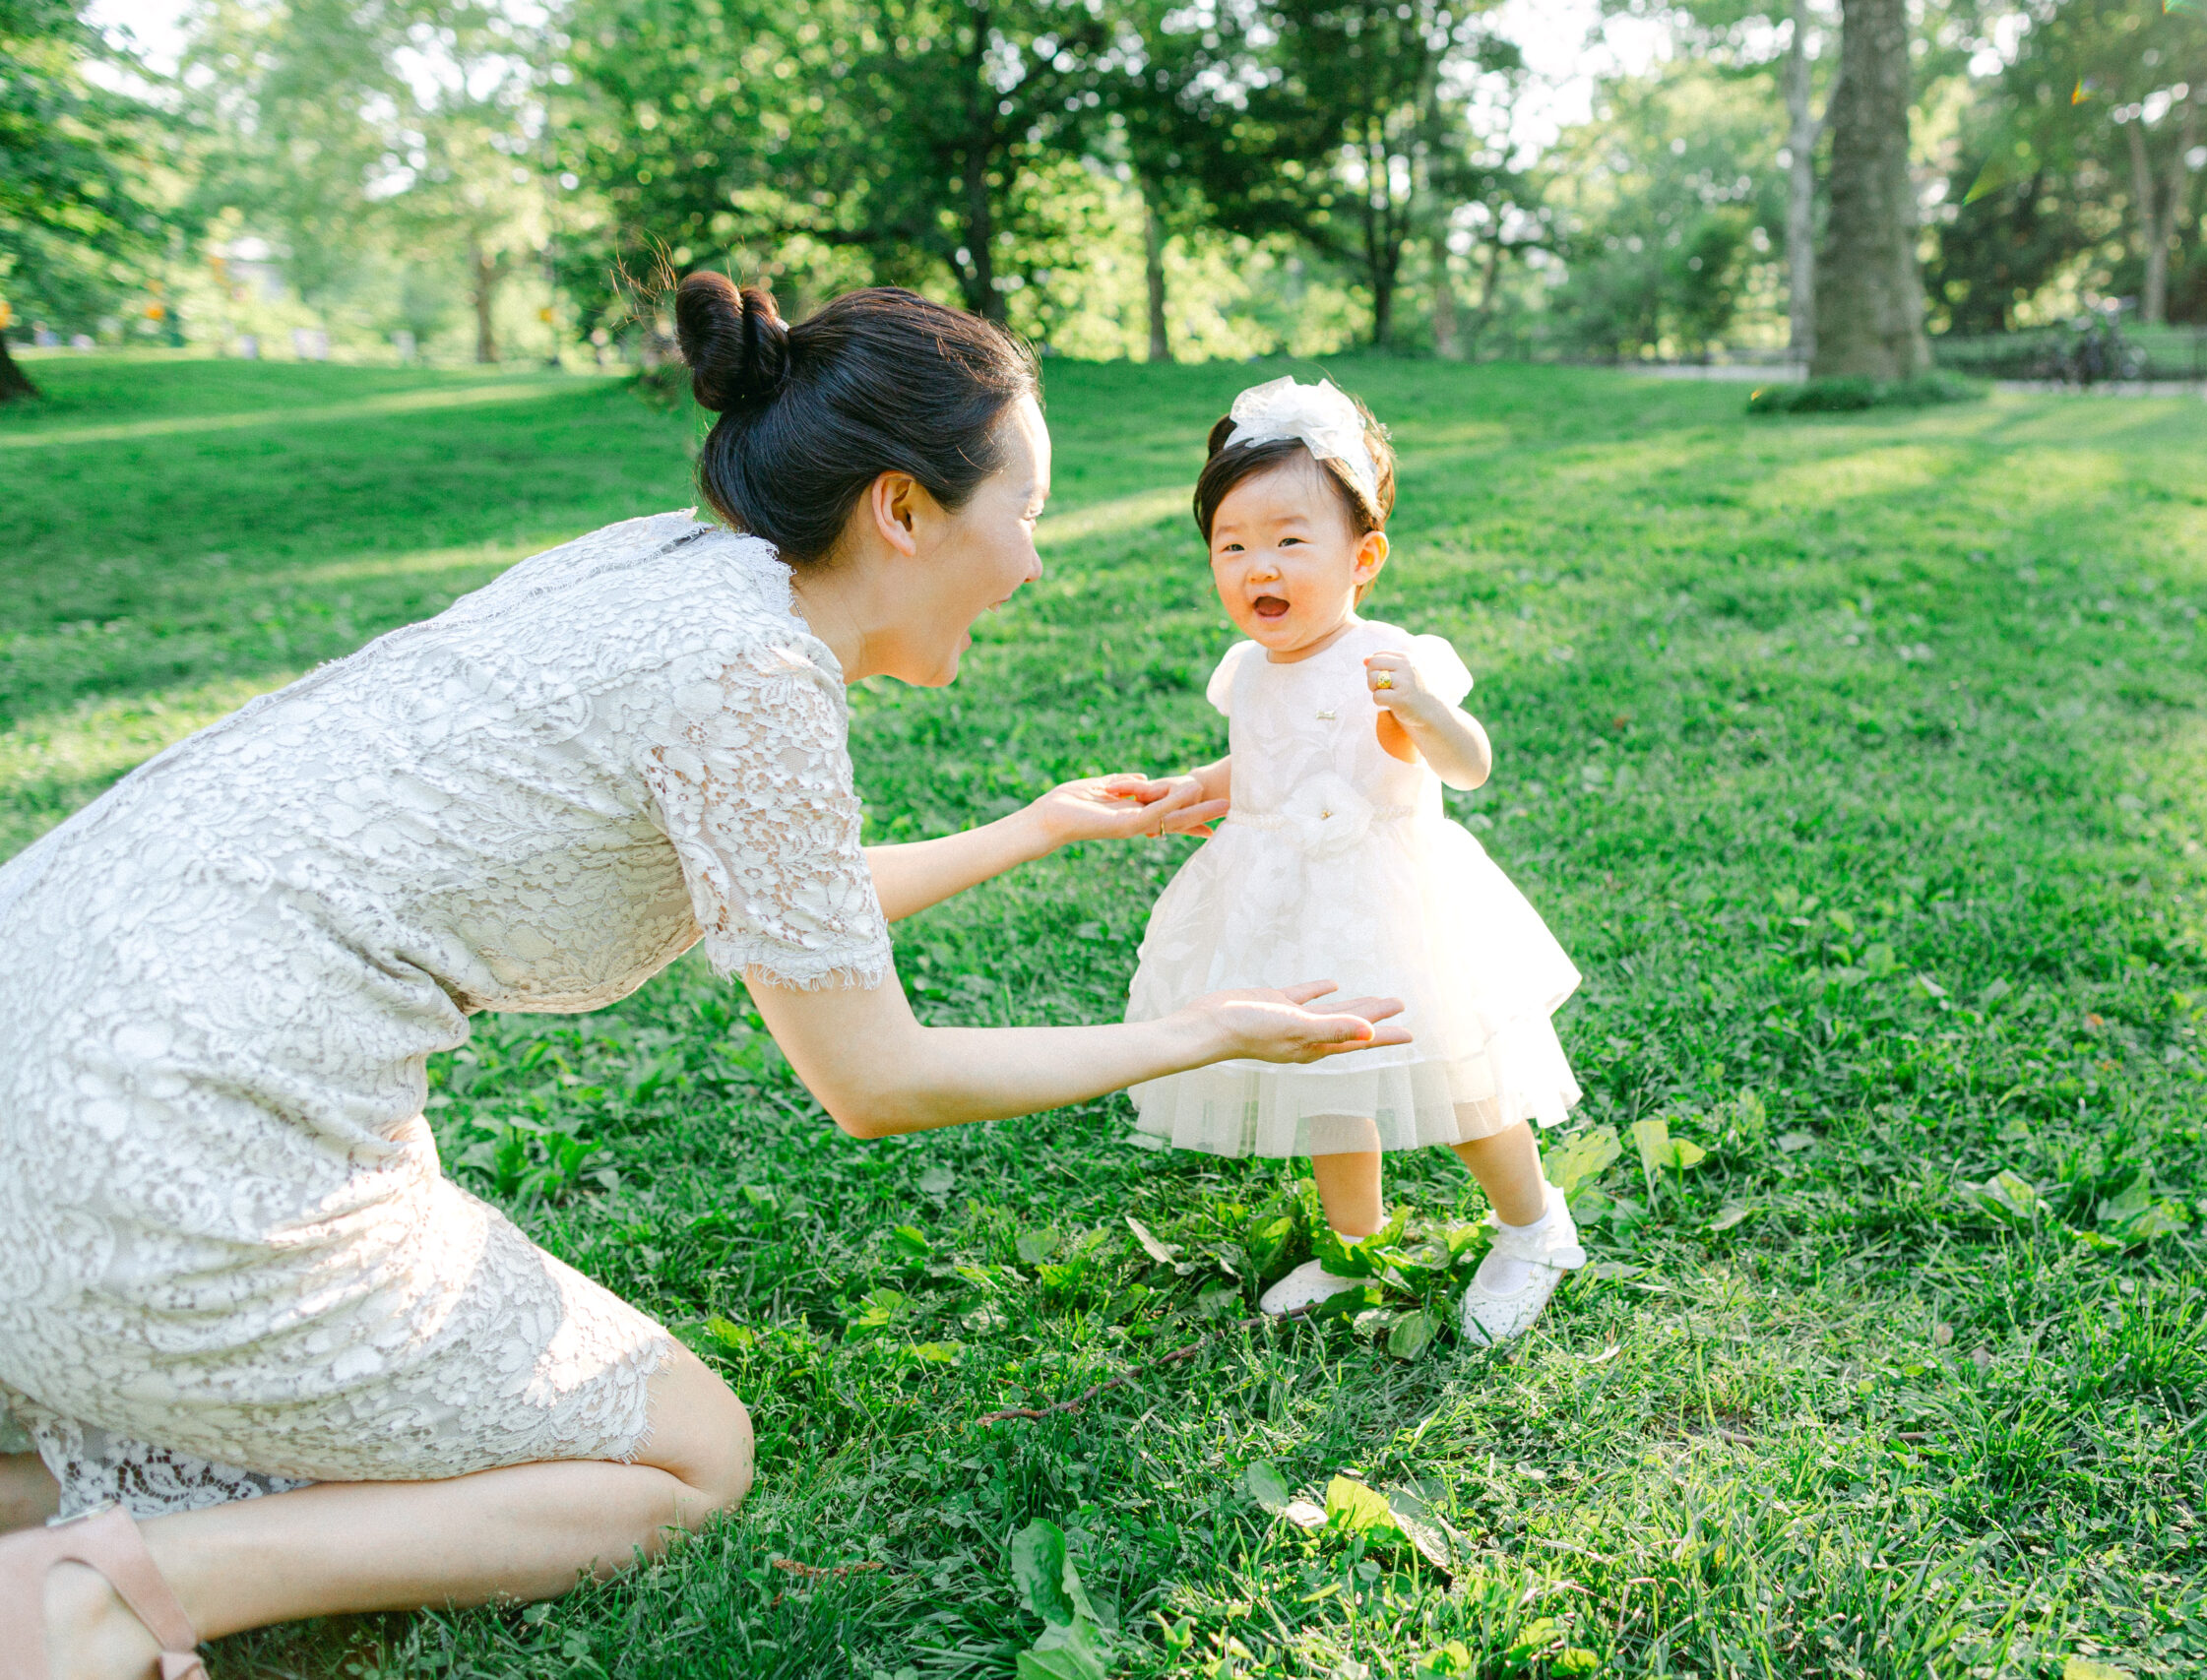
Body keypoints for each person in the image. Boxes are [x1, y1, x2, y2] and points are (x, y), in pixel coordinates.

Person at [0, 279, 1408, 1680]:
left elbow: (785, 893)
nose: (1033, 562)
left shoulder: (660, 567)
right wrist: (1200, 1030)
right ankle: (107, 1595)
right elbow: (877, 1079)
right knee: (689, 1455)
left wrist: (1032, 826)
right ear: (905, 511)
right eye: (1024, 516)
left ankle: (58, 1439)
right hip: (172, 1146)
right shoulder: (752, 667)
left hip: (39, 1028)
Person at [1123, 376, 1588, 1349]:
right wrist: (1200, 789)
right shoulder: (1248, 669)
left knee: (1459, 1079)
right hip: (1284, 905)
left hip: (1391, 906)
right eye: (1233, 544)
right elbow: (1263, 758)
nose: (1260, 564)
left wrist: (1424, 709)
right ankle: (1353, 1245)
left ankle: (1534, 1226)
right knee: (1321, 1081)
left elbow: (1467, 766)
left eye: (1291, 540)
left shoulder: (1386, 658)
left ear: (1361, 555)